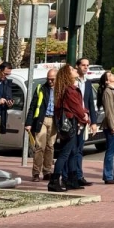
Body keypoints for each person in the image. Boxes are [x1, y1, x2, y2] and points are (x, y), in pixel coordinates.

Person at [48, 64, 90, 193]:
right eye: (72, 70)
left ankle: (71, 180)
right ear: (67, 74)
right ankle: (54, 181)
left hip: (71, 123)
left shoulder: (66, 88)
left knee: (72, 152)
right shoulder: (69, 89)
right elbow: (76, 107)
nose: (75, 70)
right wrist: (85, 116)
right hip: (70, 124)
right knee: (65, 153)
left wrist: (83, 113)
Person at [26, 67, 57, 182]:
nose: (50, 81)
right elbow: (33, 106)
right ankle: (36, 173)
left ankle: (47, 171)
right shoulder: (41, 88)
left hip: (54, 121)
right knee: (40, 147)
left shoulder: (61, 89)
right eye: (48, 79)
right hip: (42, 120)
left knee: (50, 147)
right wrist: (28, 123)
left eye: (52, 79)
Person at [70, 58, 98, 187]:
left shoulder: (87, 83)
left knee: (80, 149)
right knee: (71, 149)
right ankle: (69, 176)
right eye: (83, 65)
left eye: (87, 65)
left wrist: (93, 122)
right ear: (77, 66)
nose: (86, 67)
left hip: (83, 120)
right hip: (72, 120)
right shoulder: (71, 81)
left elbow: (90, 103)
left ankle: (79, 175)